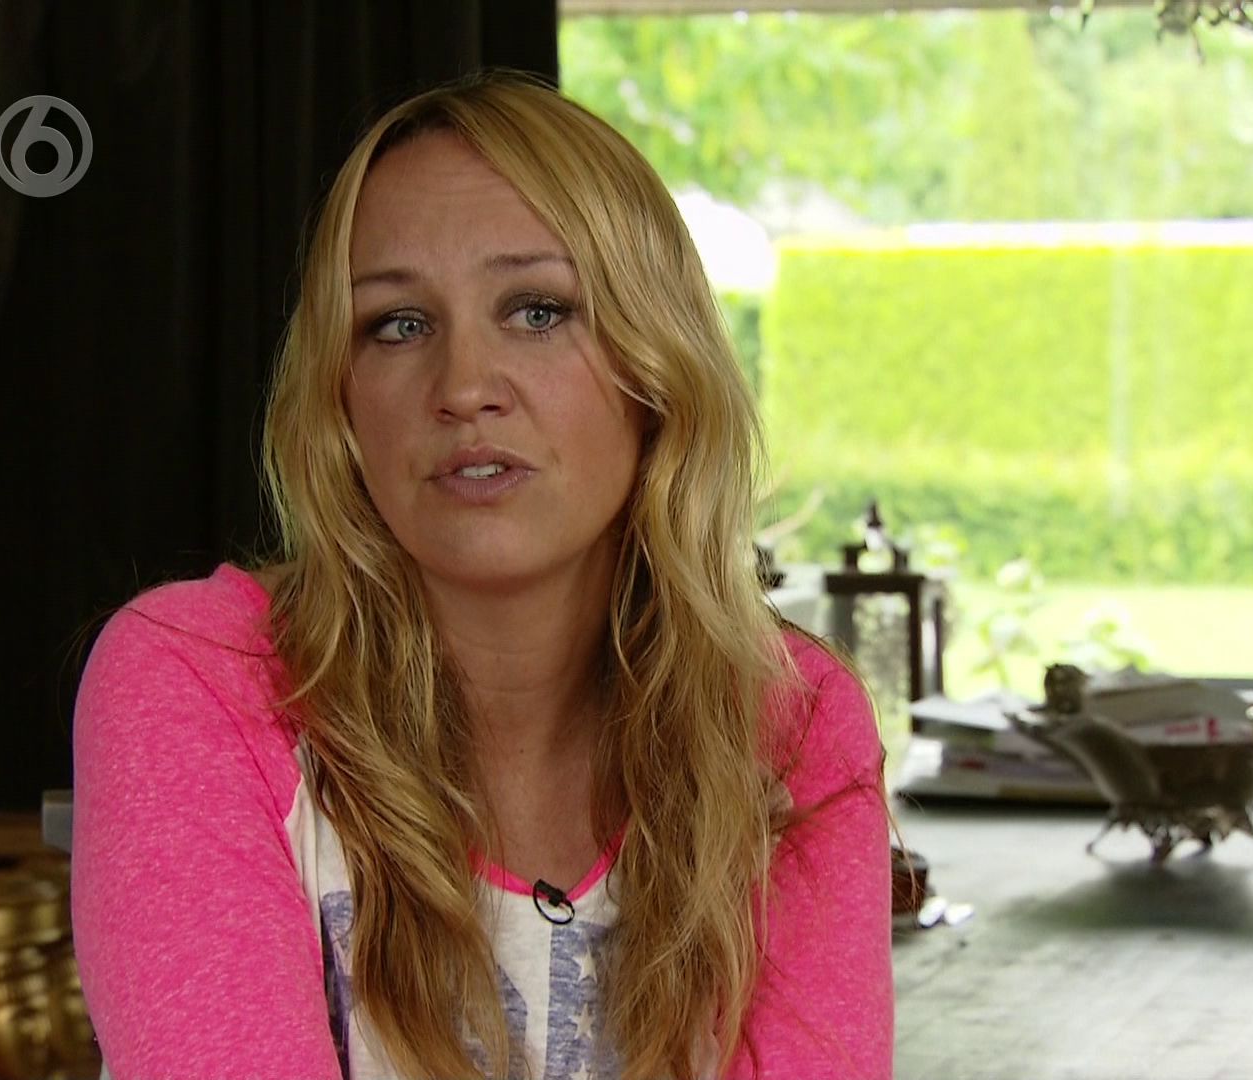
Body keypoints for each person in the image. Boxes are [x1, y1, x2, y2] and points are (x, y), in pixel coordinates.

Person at [69, 72, 892, 1080]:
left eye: (537, 311)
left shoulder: (793, 726)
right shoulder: (195, 678)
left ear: (657, 371)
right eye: (397, 324)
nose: (463, 388)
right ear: (341, 402)